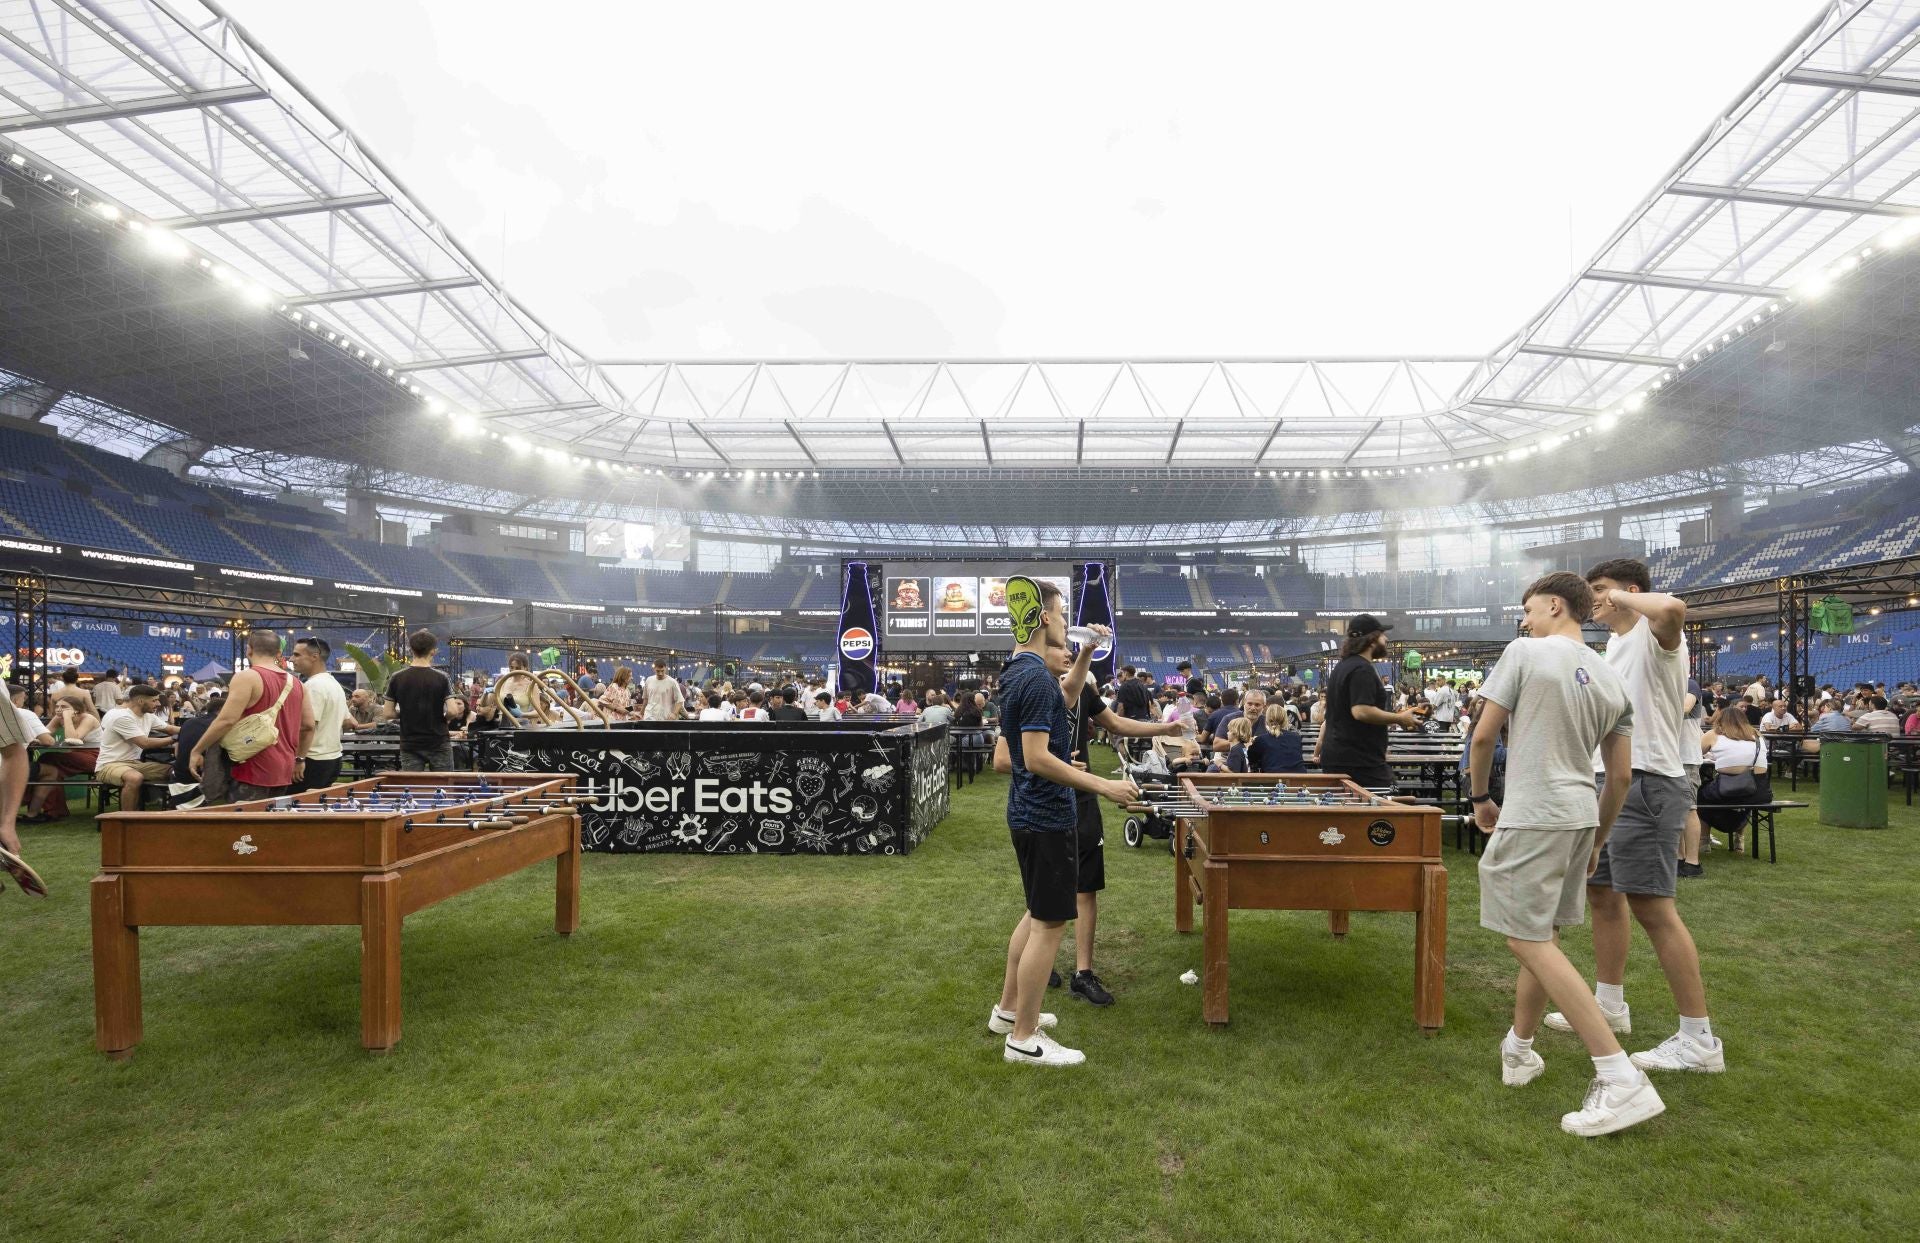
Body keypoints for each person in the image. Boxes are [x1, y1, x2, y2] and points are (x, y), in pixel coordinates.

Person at [1468, 571, 1660, 1137]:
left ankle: (1618, 1075)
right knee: (1543, 933)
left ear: (1554, 605)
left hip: (1533, 812)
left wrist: (1481, 799)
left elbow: (1482, 738)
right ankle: (1520, 1047)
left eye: (1527, 609)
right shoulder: (1610, 675)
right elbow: (1619, 777)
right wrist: (1598, 838)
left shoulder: (1524, 652)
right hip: (1579, 815)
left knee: (1524, 936)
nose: (1523, 620)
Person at [1544, 559, 1724, 1077]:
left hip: (1648, 782)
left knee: (1654, 908)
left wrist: (1622, 598)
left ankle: (1699, 1039)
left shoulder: (1653, 633)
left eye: (1599, 591)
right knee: (1603, 895)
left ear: (1629, 591)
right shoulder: (1615, 646)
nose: (1592, 599)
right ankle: (1610, 1005)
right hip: (1612, 782)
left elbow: (1672, 607)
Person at [990, 581, 1139, 1066]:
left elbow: (1068, 699)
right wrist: (1104, 786)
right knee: (1049, 925)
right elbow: (1034, 757)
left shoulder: (1021, 670)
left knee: (1036, 915)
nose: (1064, 618)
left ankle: (1009, 1012)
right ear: (1046, 618)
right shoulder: (1033, 678)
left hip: (1029, 813)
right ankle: (1025, 1038)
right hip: (1046, 815)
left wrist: (1087, 652)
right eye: (1060, 611)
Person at [189, 631, 314, 802]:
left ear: (249, 650)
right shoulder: (299, 684)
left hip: (250, 766)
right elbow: (308, 726)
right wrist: (300, 759)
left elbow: (226, 720)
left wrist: (197, 750)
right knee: (268, 824)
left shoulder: (247, 677)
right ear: (279, 653)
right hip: (283, 767)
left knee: (244, 826)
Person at [1314, 615, 1420, 789]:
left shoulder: (1343, 666)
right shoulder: (1362, 668)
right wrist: (1399, 718)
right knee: (1386, 812)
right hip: (1359, 761)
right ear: (1371, 640)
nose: (1386, 639)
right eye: (1382, 635)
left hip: (1343, 756)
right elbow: (1361, 711)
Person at [376, 630, 457, 771]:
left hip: (410, 743)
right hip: (438, 742)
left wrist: (406, 714)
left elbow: (387, 713)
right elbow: (453, 711)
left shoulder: (397, 677)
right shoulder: (442, 677)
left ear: (411, 649)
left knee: (411, 787)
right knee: (444, 786)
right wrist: (444, 718)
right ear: (433, 651)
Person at [1698, 706, 1771, 854]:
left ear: (1720, 720)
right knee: (1744, 796)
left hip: (1727, 789)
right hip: (1759, 792)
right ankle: (1740, 838)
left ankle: (1704, 840)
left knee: (1701, 794)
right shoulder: (1757, 736)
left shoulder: (1713, 735)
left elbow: (1695, 753)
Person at [96, 683, 177, 811]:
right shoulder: (122, 717)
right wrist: (175, 739)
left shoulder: (148, 716)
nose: (159, 704)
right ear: (140, 701)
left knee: (177, 770)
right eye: (154, 700)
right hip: (109, 765)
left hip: (135, 764)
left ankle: (176, 811)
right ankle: (127, 820)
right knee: (134, 778)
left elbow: (170, 729)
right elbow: (144, 743)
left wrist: (195, 729)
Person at [23, 696, 103, 822]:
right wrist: (36, 739)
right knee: (50, 768)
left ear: (76, 710)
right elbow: (45, 733)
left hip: (96, 757)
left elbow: (74, 739)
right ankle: (51, 811)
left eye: (64, 707)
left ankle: (49, 810)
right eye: (57, 707)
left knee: (48, 759)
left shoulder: (88, 718)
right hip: (76, 755)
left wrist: (67, 718)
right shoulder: (58, 717)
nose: (59, 710)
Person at [291, 637, 347, 793]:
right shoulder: (334, 684)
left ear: (314, 657)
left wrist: (299, 759)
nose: (291, 659)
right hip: (332, 758)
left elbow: (307, 726)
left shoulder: (313, 686)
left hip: (313, 760)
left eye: (297, 655)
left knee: (296, 812)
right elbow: (348, 720)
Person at [1248, 703, 1304, 773]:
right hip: (1299, 778)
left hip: (1272, 779)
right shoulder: (1296, 737)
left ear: (1267, 720)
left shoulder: (1261, 740)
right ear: (1284, 720)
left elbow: (1252, 760)